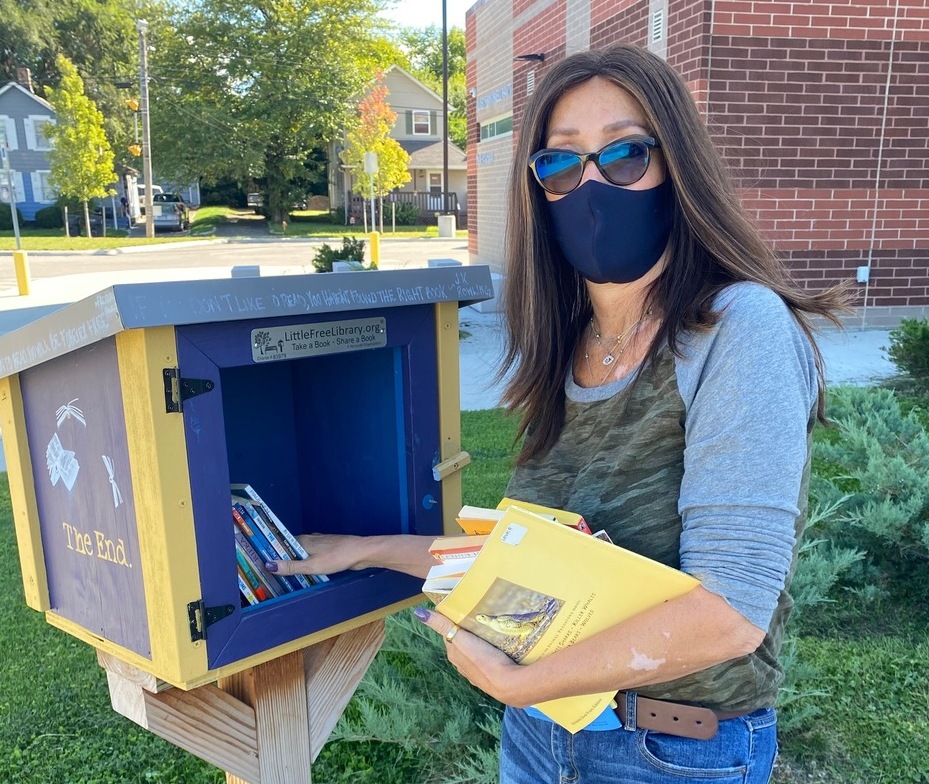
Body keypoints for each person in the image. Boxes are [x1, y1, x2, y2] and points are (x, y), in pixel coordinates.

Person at [269, 43, 848, 784]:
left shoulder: (737, 329)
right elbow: (530, 567)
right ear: (536, 188)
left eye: (625, 153)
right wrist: (360, 547)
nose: (592, 183)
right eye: (561, 163)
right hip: (540, 738)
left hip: (668, 754)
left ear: (678, 166)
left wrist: (518, 682)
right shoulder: (566, 347)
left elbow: (729, 613)